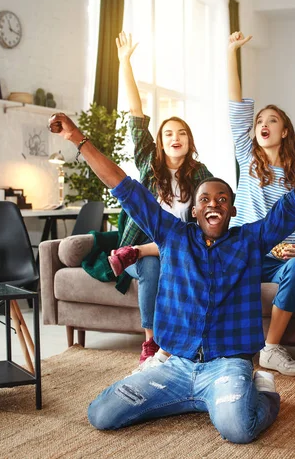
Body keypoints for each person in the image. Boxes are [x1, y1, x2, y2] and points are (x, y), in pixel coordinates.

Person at [48, 105, 295, 442]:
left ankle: (259, 389)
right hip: (174, 365)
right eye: (205, 199)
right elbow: (124, 186)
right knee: (101, 414)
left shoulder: (250, 240)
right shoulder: (172, 235)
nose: (213, 204)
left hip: (227, 365)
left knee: (239, 429)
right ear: (195, 209)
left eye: (222, 199)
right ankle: (201, 400)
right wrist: (76, 138)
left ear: (231, 208)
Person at [83, 32, 212, 365]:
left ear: (190, 140)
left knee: (173, 248)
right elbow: (136, 114)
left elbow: (202, 223)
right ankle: (151, 343)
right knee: (152, 264)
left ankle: (133, 253)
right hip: (152, 251)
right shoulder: (147, 163)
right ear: (160, 142)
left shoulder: (201, 174)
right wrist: (125, 62)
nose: (175, 137)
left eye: (181, 133)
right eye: (168, 133)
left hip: (182, 246)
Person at [227, 31, 295, 376]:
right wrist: (231, 52)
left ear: (285, 130)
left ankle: (271, 348)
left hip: (280, 258)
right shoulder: (246, 158)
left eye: (271, 120)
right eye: (260, 121)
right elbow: (236, 111)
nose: (263, 124)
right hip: (243, 250)